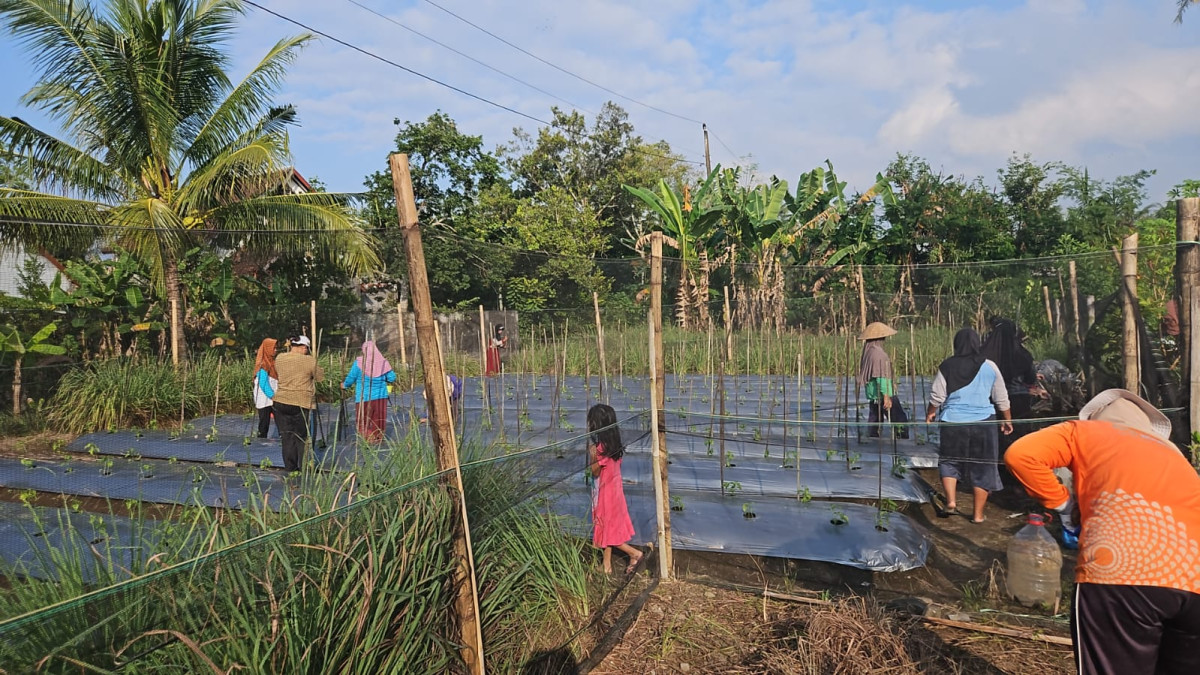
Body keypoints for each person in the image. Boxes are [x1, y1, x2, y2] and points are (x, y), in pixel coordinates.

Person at [1005, 389, 1200, 675]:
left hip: (1123, 572)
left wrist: (1064, 505)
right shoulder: (1173, 454)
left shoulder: (1083, 432)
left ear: (1096, 418)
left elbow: (1021, 455)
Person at [925, 328, 1013, 523]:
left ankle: (951, 502)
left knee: (950, 461)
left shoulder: (947, 366)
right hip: (983, 422)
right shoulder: (989, 366)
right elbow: (1001, 396)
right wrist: (1007, 419)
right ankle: (978, 515)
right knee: (982, 466)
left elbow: (937, 395)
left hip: (953, 421)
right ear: (977, 343)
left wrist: (931, 411)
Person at [587, 403, 642, 575]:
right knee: (607, 526)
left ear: (597, 425)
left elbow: (595, 470)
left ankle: (635, 553)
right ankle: (606, 565)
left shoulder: (600, 448)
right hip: (615, 491)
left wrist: (592, 455)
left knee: (607, 529)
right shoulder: (614, 445)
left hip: (605, 493)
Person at [981, 318, 1045, 450]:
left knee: (995, 439)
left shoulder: (984, 355)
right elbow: (1030, 378)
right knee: (1019, 437)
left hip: (991, 402)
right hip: (1019, 401)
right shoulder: (1022, 355)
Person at [273, 336, 324, 472]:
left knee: (287, 436)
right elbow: (320, 377)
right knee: (301, 437)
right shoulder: (309, 361)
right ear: (303, 347)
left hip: (281, 400)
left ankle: (290, 468)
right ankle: (304, 468)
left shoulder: (280, 358)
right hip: (301, 401)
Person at [857, 321, 909, 439]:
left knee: (875, 420)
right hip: (883, 395)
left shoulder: (868, 352)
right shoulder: (879, 354)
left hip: (873, 395)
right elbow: (881, 377)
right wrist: (886, 396)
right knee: (900, 420)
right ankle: (902, 442)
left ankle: (872, 440)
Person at [342, 341, 396, 444]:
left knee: (363, 420)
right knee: (379, 420)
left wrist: (345, 385)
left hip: (364, 397)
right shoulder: (383, 362)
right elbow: (392, 378)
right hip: (380, 397)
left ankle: (368, 439)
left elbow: (351, 378)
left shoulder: (358, 363)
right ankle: (377, 439)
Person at [252, 338, 279, 439]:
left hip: (274, 398)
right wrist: (272, 396)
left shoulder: (273, 363)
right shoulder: (262, 365)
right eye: (273, 348)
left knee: (280, 421)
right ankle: (261, 443)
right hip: (265, 399)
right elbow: (263, 384)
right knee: (264, 423)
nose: (276, 350)